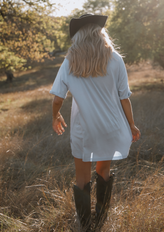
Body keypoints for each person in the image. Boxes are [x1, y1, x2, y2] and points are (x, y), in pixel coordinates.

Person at [50, 14, 141, 232]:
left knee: (82, 179)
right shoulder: (116, 59)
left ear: (78, 36)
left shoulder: (70, 60)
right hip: (110, 127)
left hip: (83, 129)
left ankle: (86, 227)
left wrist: (56, 115)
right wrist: (132, 125)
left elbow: (57, 98)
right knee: (104, 172)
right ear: (101, 33)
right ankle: (100, 223)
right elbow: (124, 97)